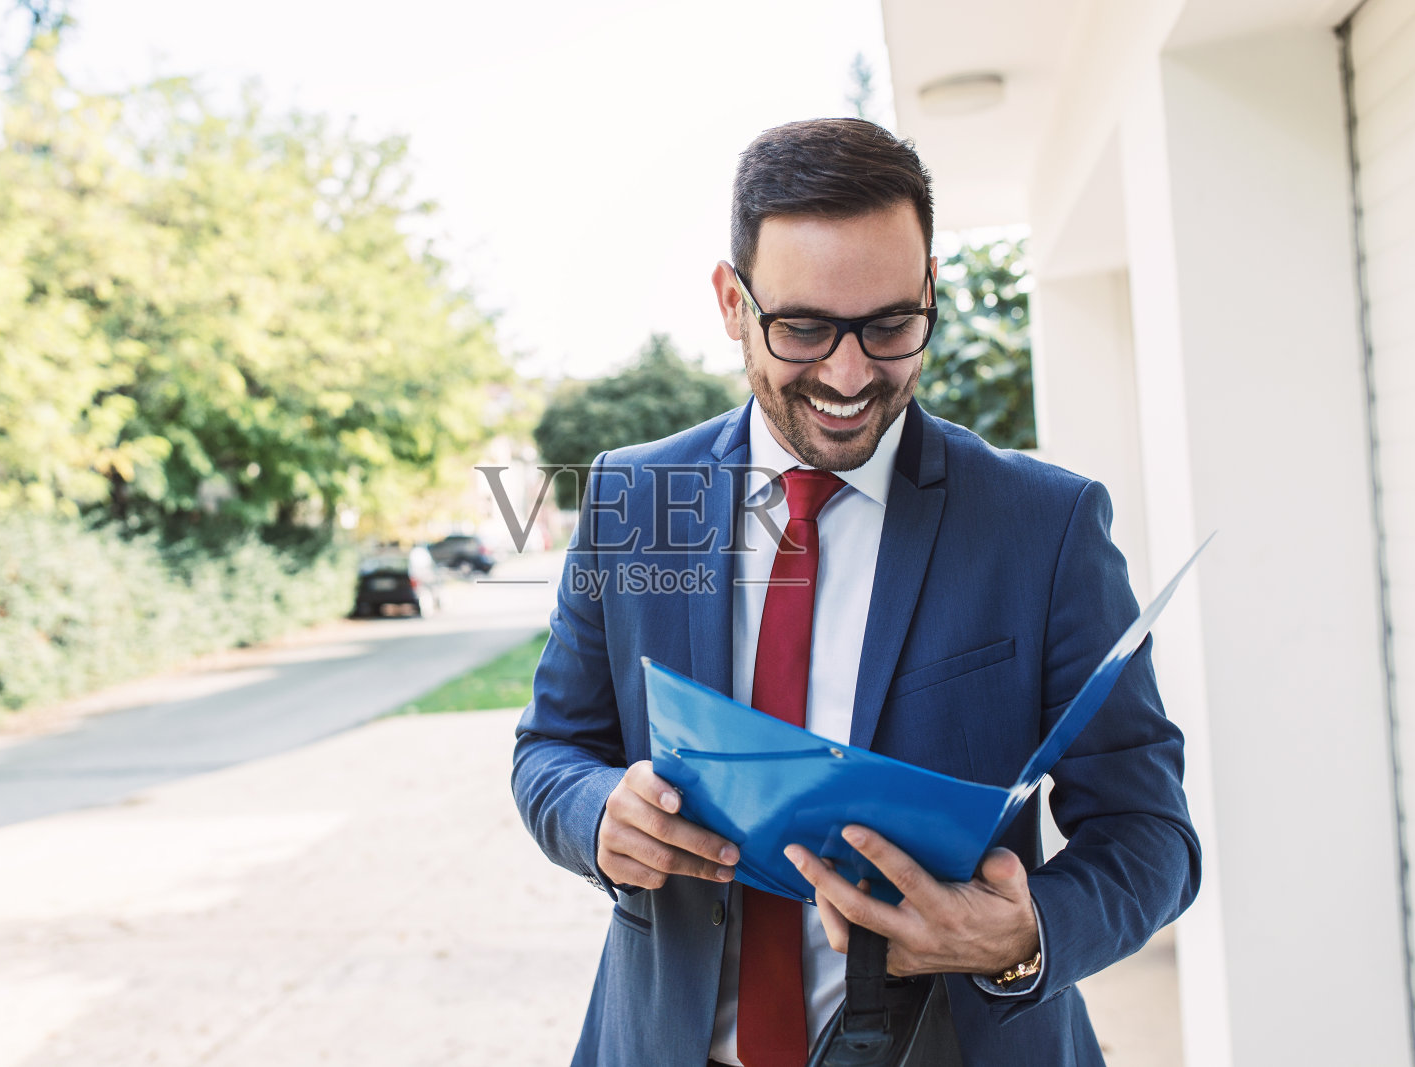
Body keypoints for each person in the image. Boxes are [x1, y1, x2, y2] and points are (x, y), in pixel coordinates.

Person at [511, 117, 1199, 1067]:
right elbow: (551, 749)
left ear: (929, 292)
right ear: (732, 303)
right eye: (803, 329)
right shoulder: (635, 498)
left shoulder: (1045, 526)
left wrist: (1022, 932)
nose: (849, 374)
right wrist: (597, 814)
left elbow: (1150, 831)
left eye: (889, 326)